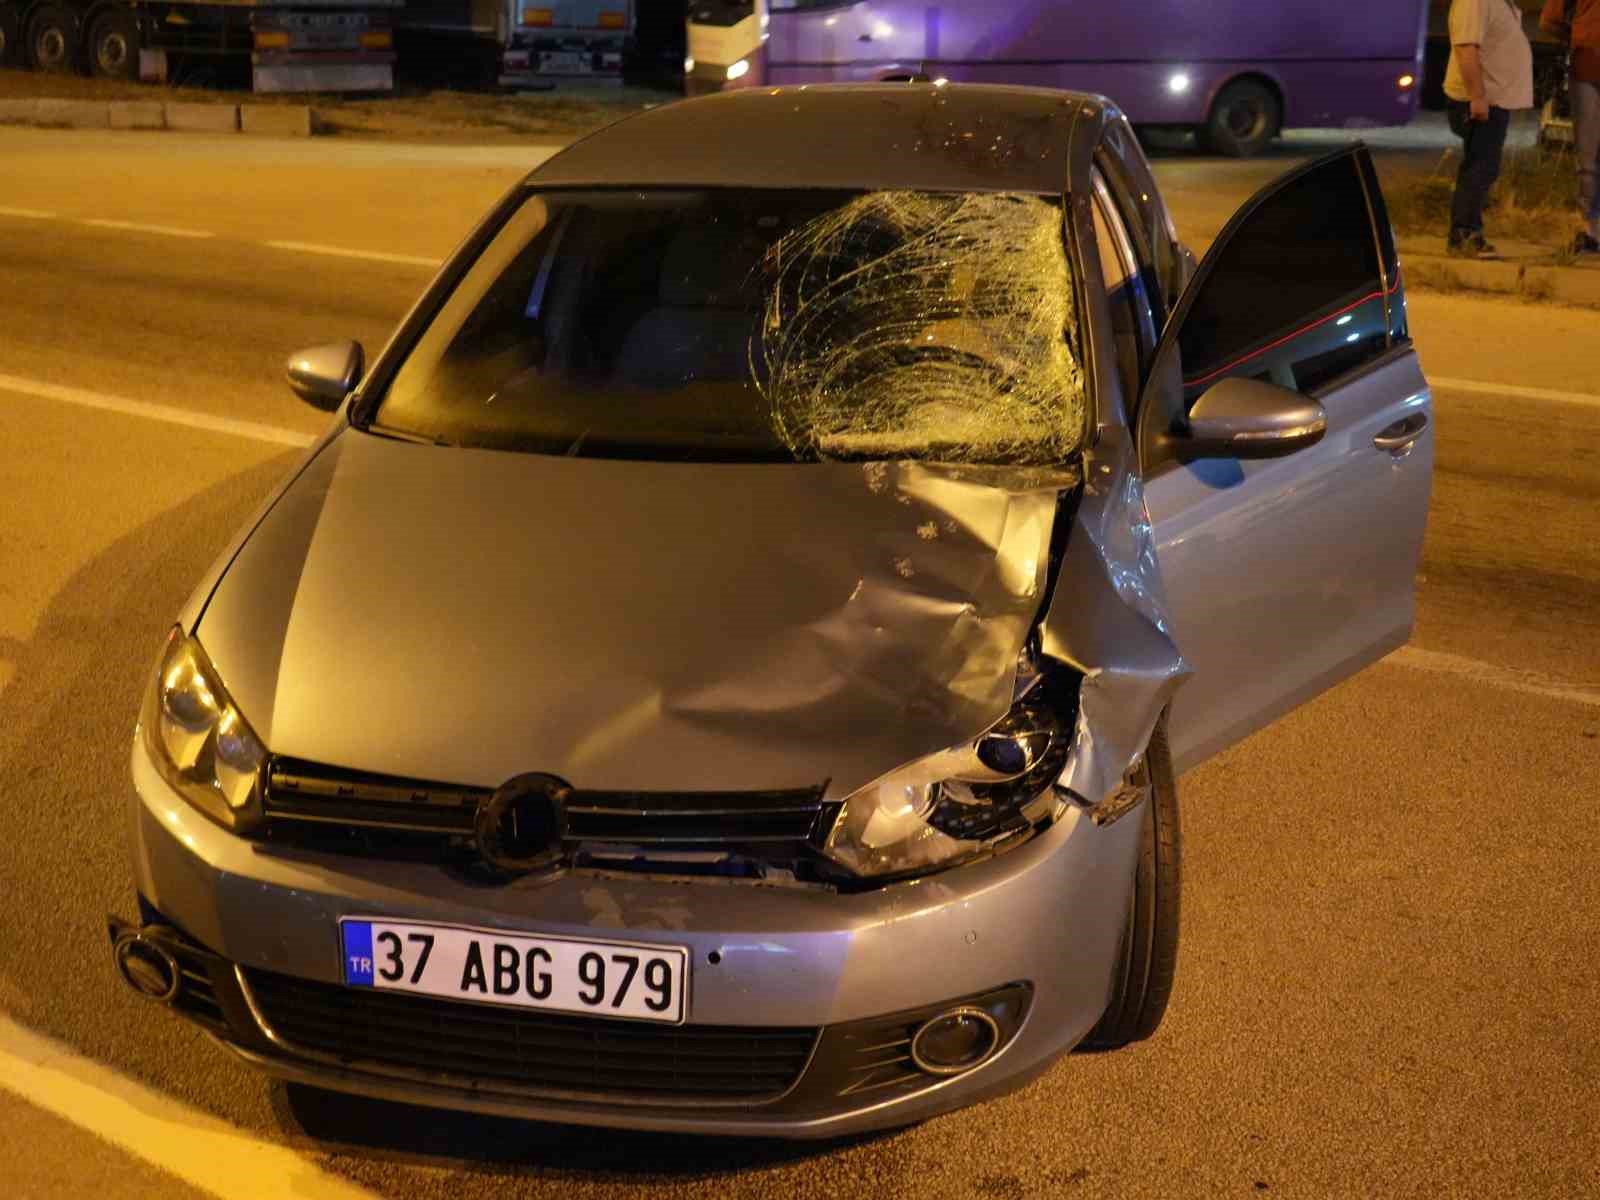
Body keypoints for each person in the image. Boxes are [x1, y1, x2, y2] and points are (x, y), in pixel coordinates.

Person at [1444, 0, 1535, 258]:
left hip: (1492, 100)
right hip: (1482, 100)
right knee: (1480, 167)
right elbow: (1466, 48)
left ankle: (1467, 231)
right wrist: (1477, 96)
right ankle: (1464, 235)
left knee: (1483, 166)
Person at [1542, 0, 1600, 254]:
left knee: (1587, 158)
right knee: (1587, 156)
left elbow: (1549, 22)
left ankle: (1590, 229)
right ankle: (1589, 229)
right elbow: (1549, 21)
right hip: (1585, 66)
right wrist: (1579, 37)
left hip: (1585, 65)